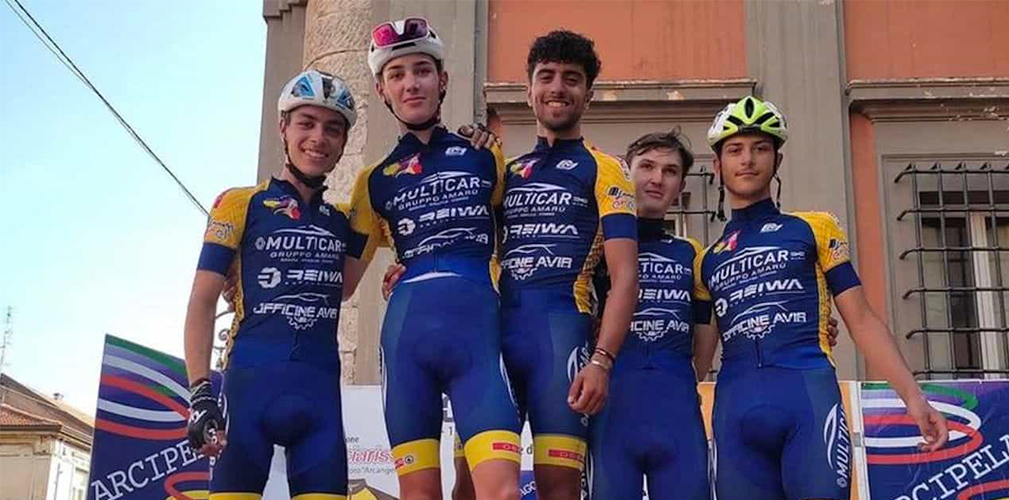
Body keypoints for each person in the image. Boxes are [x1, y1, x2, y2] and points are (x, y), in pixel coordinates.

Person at [696, 95, 949, 500]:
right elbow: (698, 358)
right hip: (734, 413)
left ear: (777, 160)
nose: (748, 159)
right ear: (717, 165)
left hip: (808, 401)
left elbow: (861, 320)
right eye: (735, 150)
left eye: (760, 148)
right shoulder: (705, 260)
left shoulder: (816, 228)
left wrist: (914, 398)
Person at [349, 17, 521, 500]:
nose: (411, 83)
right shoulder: (373, 181)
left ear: (442, 80)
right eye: (397, 74)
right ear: (382, 91)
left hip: (478, 337)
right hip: (408, 339)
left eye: (422, 70)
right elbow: (341, 281)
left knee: (502, 493)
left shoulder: (485, 154)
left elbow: (522, 236)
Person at [184, 69, 365, 499]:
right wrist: (200, 393)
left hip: (319, 402)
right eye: (306, 123)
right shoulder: (238, 203)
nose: (318, 138)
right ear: (283, 127)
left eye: (332, 128)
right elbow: (202, 301)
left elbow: (412, 231)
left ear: (344, 142)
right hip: (248, 393)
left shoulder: (347, 220)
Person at [495, 30, 639, 500]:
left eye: (572, 79)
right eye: (547, 76)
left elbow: (625, 276)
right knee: (472, 488)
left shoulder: (606, 169)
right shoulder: (505, 173)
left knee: (559, 489)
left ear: (588, 95)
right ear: (529, 90)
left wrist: (602, 361)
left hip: (562, 342)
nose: (558, 87)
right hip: (495, 343)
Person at [588, 130, 716, 500]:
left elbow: (706, 334)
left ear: (681, 186)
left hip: (677, 410)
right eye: (646, 167)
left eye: (670, 171)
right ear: (626, 173)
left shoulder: (692, 253)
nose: (657, 179)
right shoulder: (597, 246)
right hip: (611, 411)